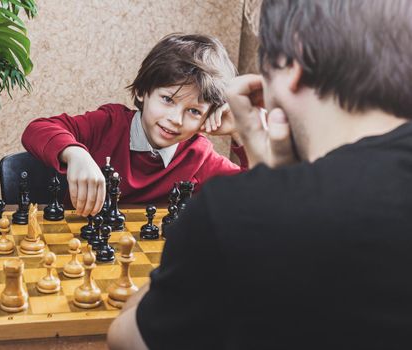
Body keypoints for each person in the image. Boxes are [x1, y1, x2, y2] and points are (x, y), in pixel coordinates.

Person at [107, 0, 412, 349]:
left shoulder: (237, 214)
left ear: (294, 60)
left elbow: (125, 338)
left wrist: (269, 188)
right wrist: (276, 183)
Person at [22, 33, 248, 217]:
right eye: (168, 99)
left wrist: (242, 131)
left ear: (208, 117)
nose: (176, 119)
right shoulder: (108, 124)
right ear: (142, 91)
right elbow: (37, 129)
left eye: (194, 111)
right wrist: (75, 155)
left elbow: (260, 197)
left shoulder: (199, 157)